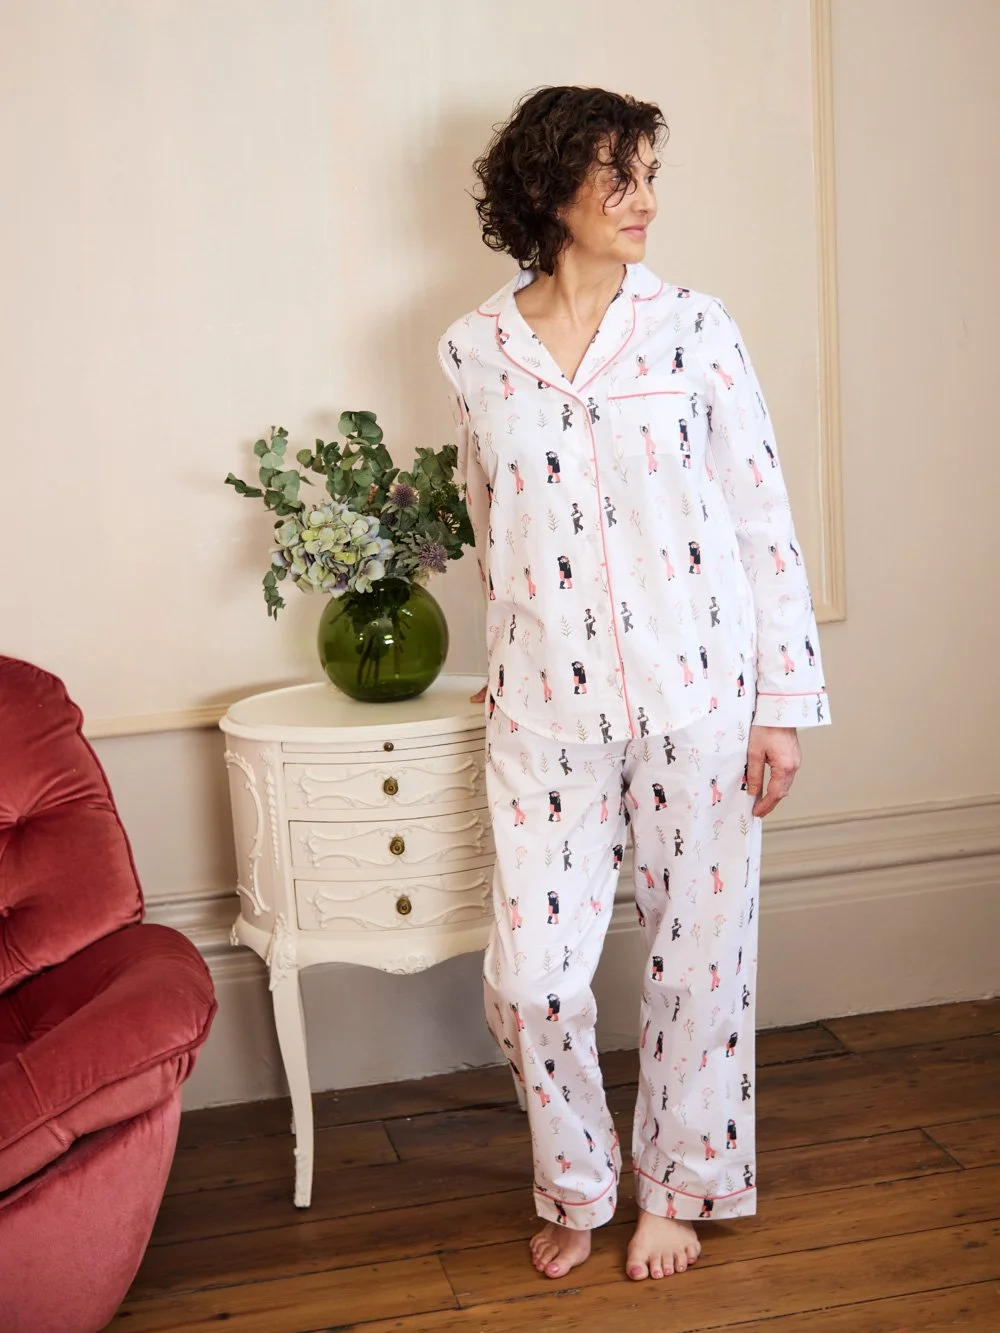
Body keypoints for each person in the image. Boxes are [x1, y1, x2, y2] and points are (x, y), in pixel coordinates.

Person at [436, 86, 830, 1285]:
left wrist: (778, 705)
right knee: (533, 980)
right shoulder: (475, 349)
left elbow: (759, 517)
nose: (643, 196)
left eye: (648, 171)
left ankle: (678, 1187)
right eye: (616, 173)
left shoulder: (695, 329)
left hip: (697, 692)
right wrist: (504, 661)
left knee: (697, 960)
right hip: (541, 708)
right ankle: (576, 1182)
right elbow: (492, 524)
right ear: (548, 189)